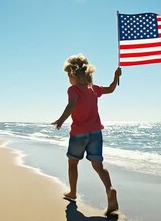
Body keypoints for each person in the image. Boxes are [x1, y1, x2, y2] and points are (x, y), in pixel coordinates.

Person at [52, 54, 121, 215]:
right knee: (98, 166)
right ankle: (109, 190)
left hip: (79, 134)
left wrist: (61, 120)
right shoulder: (93, 88)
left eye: (69, 75)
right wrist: (115, 76)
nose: (68, 79)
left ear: (73, 76)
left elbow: (72, 104)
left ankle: (73, 192)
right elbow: (110, 89)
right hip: (96, 133)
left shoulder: (73, 89)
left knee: (72, 163)